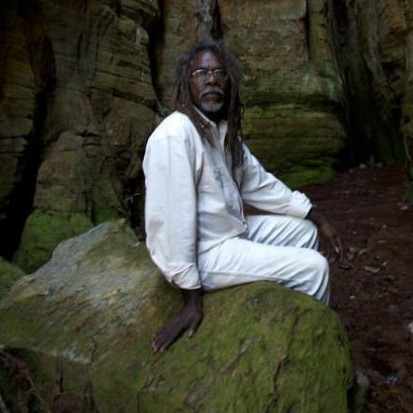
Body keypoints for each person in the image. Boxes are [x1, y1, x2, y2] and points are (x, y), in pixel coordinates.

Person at [143, 39, 342, 353]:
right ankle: (314, 347)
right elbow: (171, 223)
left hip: (233, 231)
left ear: (229, 81)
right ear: (186, 83)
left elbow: (261, 185)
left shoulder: (221, 131)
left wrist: (318, 217)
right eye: (201, 73)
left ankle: (293, 316)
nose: (211, 79)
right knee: (315, 267)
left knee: (304, 232)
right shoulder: (175, 134)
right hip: (206, 252)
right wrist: (190, 298)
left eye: (219, 72)